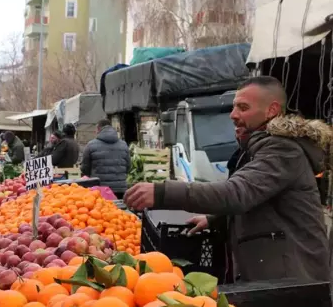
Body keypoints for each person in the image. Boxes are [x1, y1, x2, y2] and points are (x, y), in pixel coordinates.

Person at [124, 76, 331, 282]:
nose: (233, 115)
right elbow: (259, 200)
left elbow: (237, 193)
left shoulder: (283, 150)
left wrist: (162, 192)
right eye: (234, 107)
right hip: (277, 275)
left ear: (272, 110)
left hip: (294, 280)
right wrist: (215, 219)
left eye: (243, 107)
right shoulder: (257, 147)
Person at [81, 119, 130, 198]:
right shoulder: (124, 144)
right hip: (120, 189)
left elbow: (85, 168)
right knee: (119, 209)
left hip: (99, 189)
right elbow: (128, 166)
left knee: (103, 210)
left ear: (98, 129)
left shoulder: (91, 145)